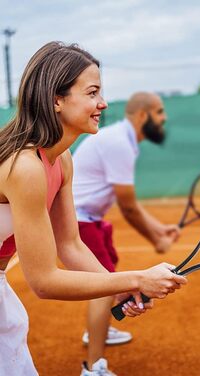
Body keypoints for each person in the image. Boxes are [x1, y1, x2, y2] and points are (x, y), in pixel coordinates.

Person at [0, 42, 187, 376]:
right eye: (91, 93)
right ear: (57, 99)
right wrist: (136, 278)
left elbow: (69, 245)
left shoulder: (62, 160)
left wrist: (121, 287)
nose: (102, 103)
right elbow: (43, 281)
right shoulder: (25, 167)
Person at [72, 92, 181, 374]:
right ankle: (92, 367)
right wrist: (156, 240)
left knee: (109, 272)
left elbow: (129, 204)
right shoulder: (119, 142)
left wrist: (160, 229)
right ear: (143, 116)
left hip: (89, 217)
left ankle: (101, 331)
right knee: (103, 287)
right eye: (159, 112)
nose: (164, 118)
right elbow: (128, 207)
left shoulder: (124, 141)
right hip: (78, 219)